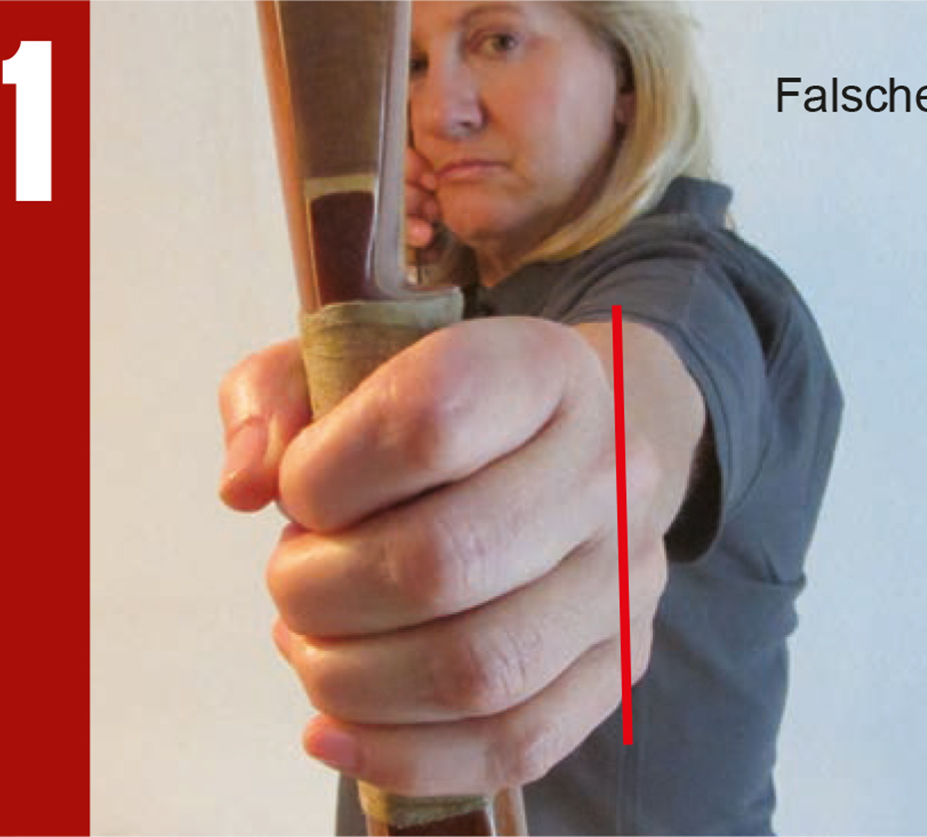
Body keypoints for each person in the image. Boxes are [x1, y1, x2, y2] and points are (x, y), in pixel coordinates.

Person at [218, 1, 842, 833]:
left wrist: (590, 443)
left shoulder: (695, 285)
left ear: (627, 76)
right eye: (415, 64)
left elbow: (634, 395)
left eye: (497, 41)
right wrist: (387, 306)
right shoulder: (468, 301)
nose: (440, 112)